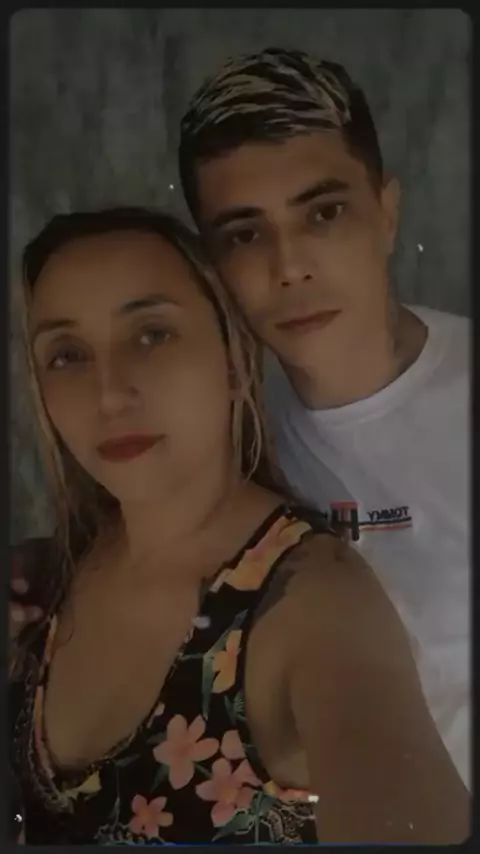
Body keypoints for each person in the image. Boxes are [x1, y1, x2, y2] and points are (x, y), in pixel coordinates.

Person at [9, 208, 468, 845]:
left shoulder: (312, 605)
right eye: (66, 355)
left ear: (233, 359)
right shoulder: (51, 579)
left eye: (152, 335)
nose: (109, 394)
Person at [178, 46, 471, 790]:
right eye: (245, 233)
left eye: (324, 212)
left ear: (387, 214)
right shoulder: (229, 442)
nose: (290, 266)